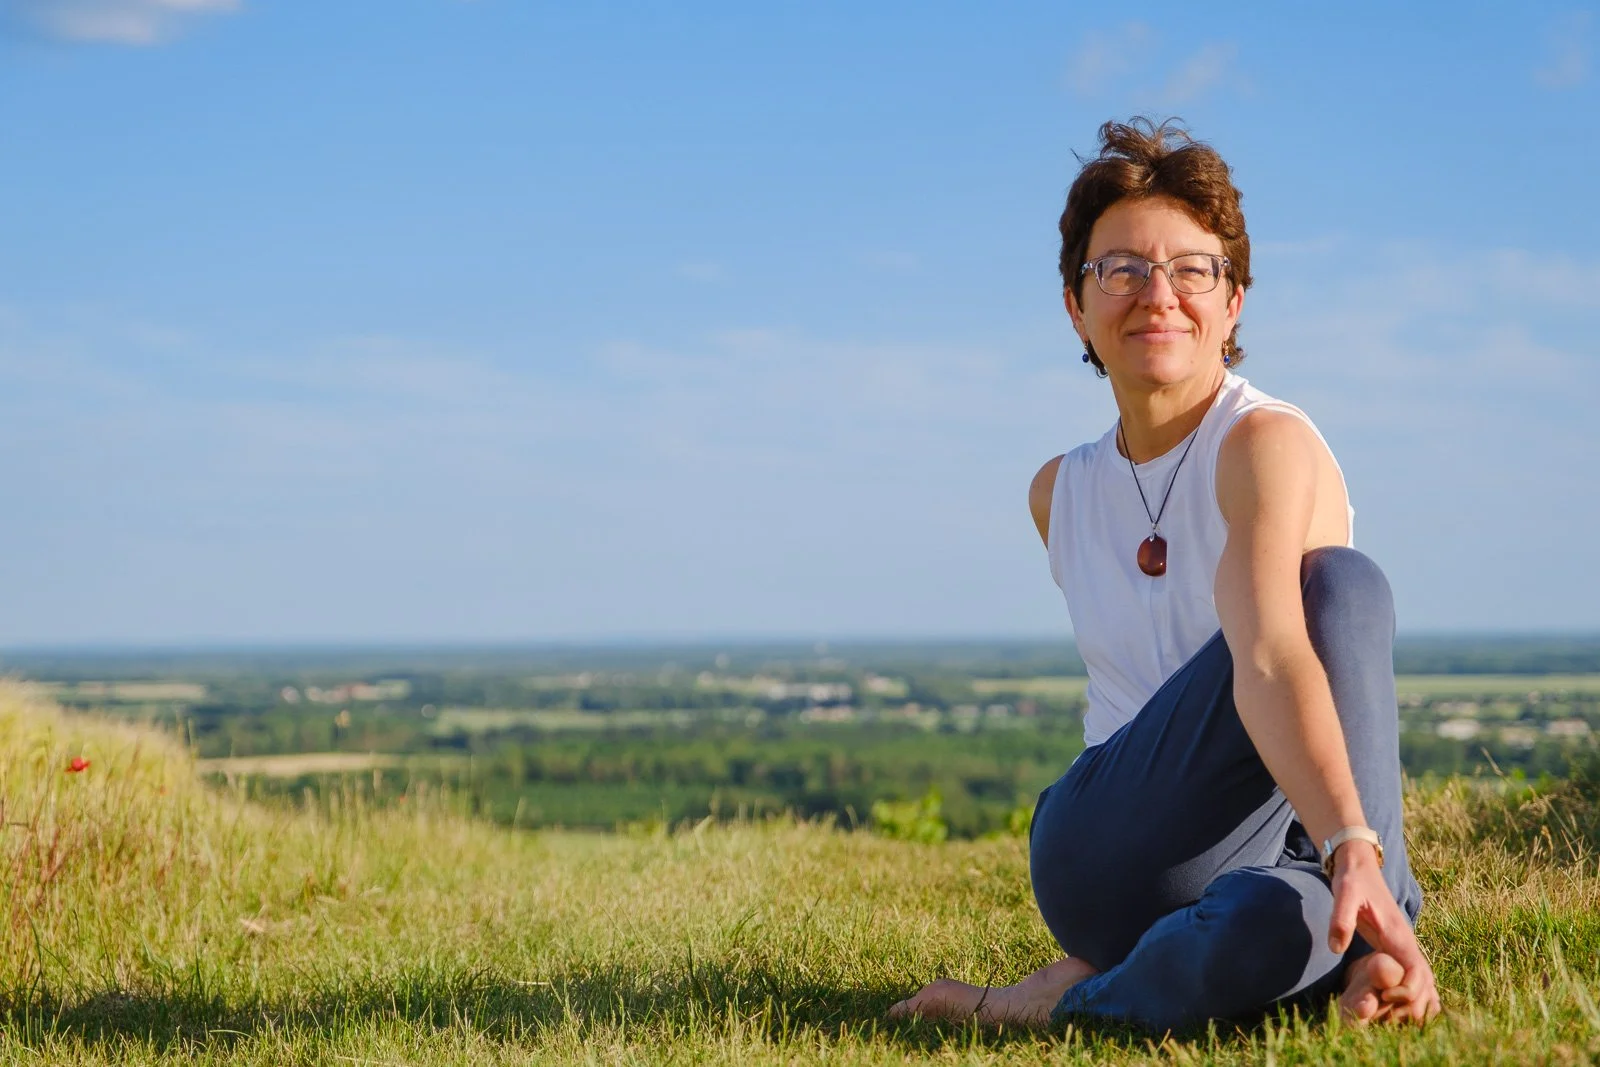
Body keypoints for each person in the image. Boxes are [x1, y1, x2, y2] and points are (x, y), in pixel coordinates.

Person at [888, 118, 1441, 1033]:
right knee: (1342, 587)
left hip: (1268, 854)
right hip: (1107, 846)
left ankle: (1066, 1001)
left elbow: (1286, 663)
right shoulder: (1058, 491)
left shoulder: (1266, 443)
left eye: (1194, 269)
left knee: (1276, 923)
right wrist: (1357, 847)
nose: (1160, 294)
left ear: (1233, 305)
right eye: (1124, 269)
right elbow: (1255, 657)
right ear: (1077, 305)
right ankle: (1380, 923)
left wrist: (1343, 849)